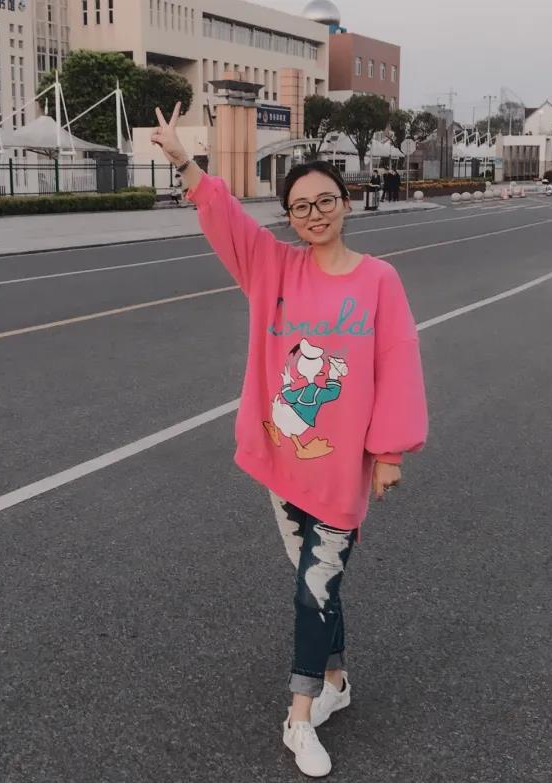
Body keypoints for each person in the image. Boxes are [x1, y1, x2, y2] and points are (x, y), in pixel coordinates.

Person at [151, 103, 428, 778]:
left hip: (342, 470)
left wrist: (388, 452)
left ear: (347, 203)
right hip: (284, 460)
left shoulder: (379, 279)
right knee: (317, 586)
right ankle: (336, 680)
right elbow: (226, 219)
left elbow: (397, 362)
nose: (314, 214)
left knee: (314, 588)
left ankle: (299, 716)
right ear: (290, 217)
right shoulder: (273, 269)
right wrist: (185, 161)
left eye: (325, 200)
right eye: (300, 207)